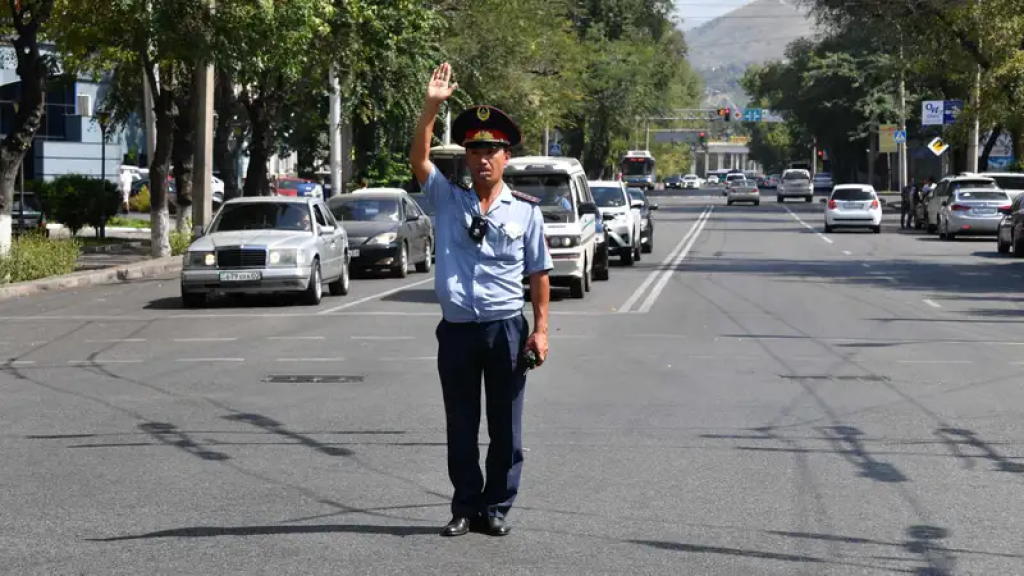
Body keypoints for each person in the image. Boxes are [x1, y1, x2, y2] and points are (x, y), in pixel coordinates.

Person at [409, 62, 553, 538]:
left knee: (505, 428)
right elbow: (419, 159)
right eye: (475, 150)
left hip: (505, 329)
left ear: (506, 156)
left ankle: (496, 507)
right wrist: (432, 106)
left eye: (491, 150)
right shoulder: (448, 200)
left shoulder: (526, 213)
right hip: (457, 331)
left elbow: (538, 274)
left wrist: (542, 330)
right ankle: (464, 507)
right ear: (467, 157)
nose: (483, 158)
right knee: (461, 425)